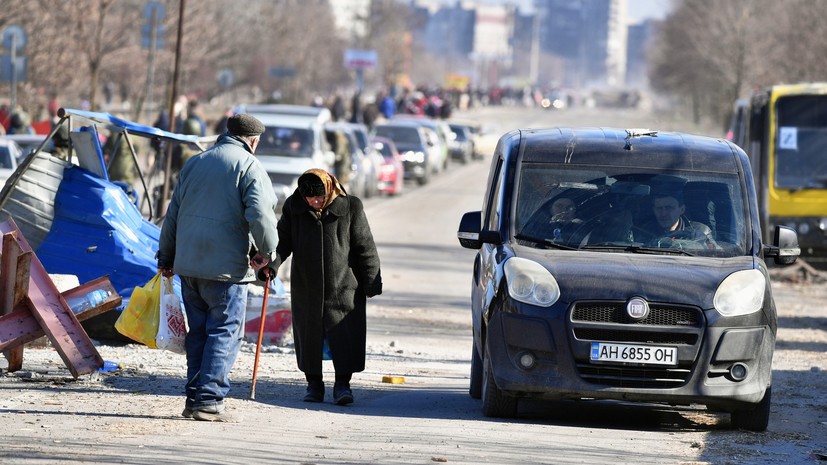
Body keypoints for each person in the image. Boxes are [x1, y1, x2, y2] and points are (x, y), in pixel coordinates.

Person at [157, 114, 280, 422]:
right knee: (224, 331)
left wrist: (166, 257)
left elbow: (173, 214)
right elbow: (261, 215)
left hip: (189, 267)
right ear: (253, 141)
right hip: (225, 269)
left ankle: (194, 398)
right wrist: (267, 252)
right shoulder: (249, 166)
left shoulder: (196, 162)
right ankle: (209, 400)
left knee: (198, 332)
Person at [275, 168, 382, 405]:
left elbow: (365, 246)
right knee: (309, 337)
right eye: (309, 198)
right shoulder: (294, 207)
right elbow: (281, 242)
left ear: (329, 190)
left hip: (344, 286)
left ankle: (343, 385)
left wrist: (372, 280)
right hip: (307, 288)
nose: (314, 202)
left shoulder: (351, 207)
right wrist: (270, 266)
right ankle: (314, 385)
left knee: (344, 336)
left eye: (318, 197)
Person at [635, 191, 717, 248]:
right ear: (654, 210)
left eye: (669, 208)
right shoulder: (642, 232)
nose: (663, 213)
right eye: (659, 208)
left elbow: (716, 253)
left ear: (682, 209)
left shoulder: (701, 230)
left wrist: (703, 242)